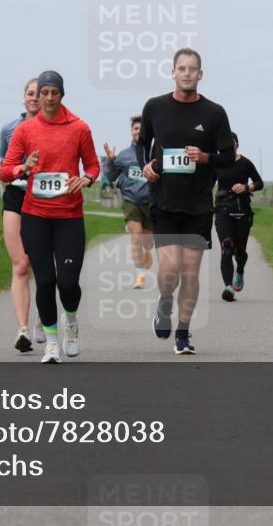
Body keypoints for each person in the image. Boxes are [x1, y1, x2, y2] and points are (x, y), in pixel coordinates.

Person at [138, 48, 234, 355]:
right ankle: (165, 302)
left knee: (190, 273)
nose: (187, 73)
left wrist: (206, 157)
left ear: (201, 74)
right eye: (182, 68)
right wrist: (147, 167)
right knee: (170, 271)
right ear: (173, 72)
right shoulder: (155, 107)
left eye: (193, 69)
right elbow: (143, 145)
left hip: (199, 206)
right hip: (164, 202)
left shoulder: (215, 113)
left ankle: (183, 332)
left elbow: (228, 156)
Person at [0, 70, 100, 364]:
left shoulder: (79, 128)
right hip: (35, 215)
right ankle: (52, 343)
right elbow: (6, 170)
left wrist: (87, 179)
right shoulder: (25, 130)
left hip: (69, 215)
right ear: (39, 95)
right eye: (44, 92)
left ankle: (70, 320)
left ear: (61, 95)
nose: (48, 98)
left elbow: (93, 165)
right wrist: (23, 168)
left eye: (54, 92)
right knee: (44, 280)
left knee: (67, 283)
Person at [0, 79, 46, 352]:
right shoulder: (9, 129)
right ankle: (22, 330)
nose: (34, 98)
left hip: (44, 198)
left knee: (41, 266)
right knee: (20, 265)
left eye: (39, 94)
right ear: (23, 98)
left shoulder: (57, 127)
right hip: (15, 196)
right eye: (30, 93)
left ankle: (43, 315)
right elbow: (3, 163)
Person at [103, 115, 154, 289]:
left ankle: (147, 252)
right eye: (135, 128)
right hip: (130, 200)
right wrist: (110, 160)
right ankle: (140, 275)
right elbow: (110, 177)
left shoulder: (154, 154)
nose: (139, 132)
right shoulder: (124, 156)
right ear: (132, 132)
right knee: (136, 237)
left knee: (147, 242)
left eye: (142, 129)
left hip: (150, 202)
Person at [214, 132, 263, 302]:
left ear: (236, 144)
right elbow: (205, 184)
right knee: (227, 246)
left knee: (239, 250)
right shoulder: (216, 163)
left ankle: (240, 269)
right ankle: (228, 287)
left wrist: (247, 187)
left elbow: (259, 182)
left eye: (231, 143)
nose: (228, 147)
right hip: (222, 210)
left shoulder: (245, 163)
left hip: (242, 210)